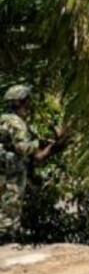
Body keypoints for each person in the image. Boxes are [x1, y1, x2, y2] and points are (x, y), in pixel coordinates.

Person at [0, 85, 37, 242]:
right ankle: (7, 239)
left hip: (3, 169)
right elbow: (23, 148)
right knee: (11, 205)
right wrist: (37, 144)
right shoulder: (18, 123)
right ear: (23, 101)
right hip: (13, 171)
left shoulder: (3, 119)